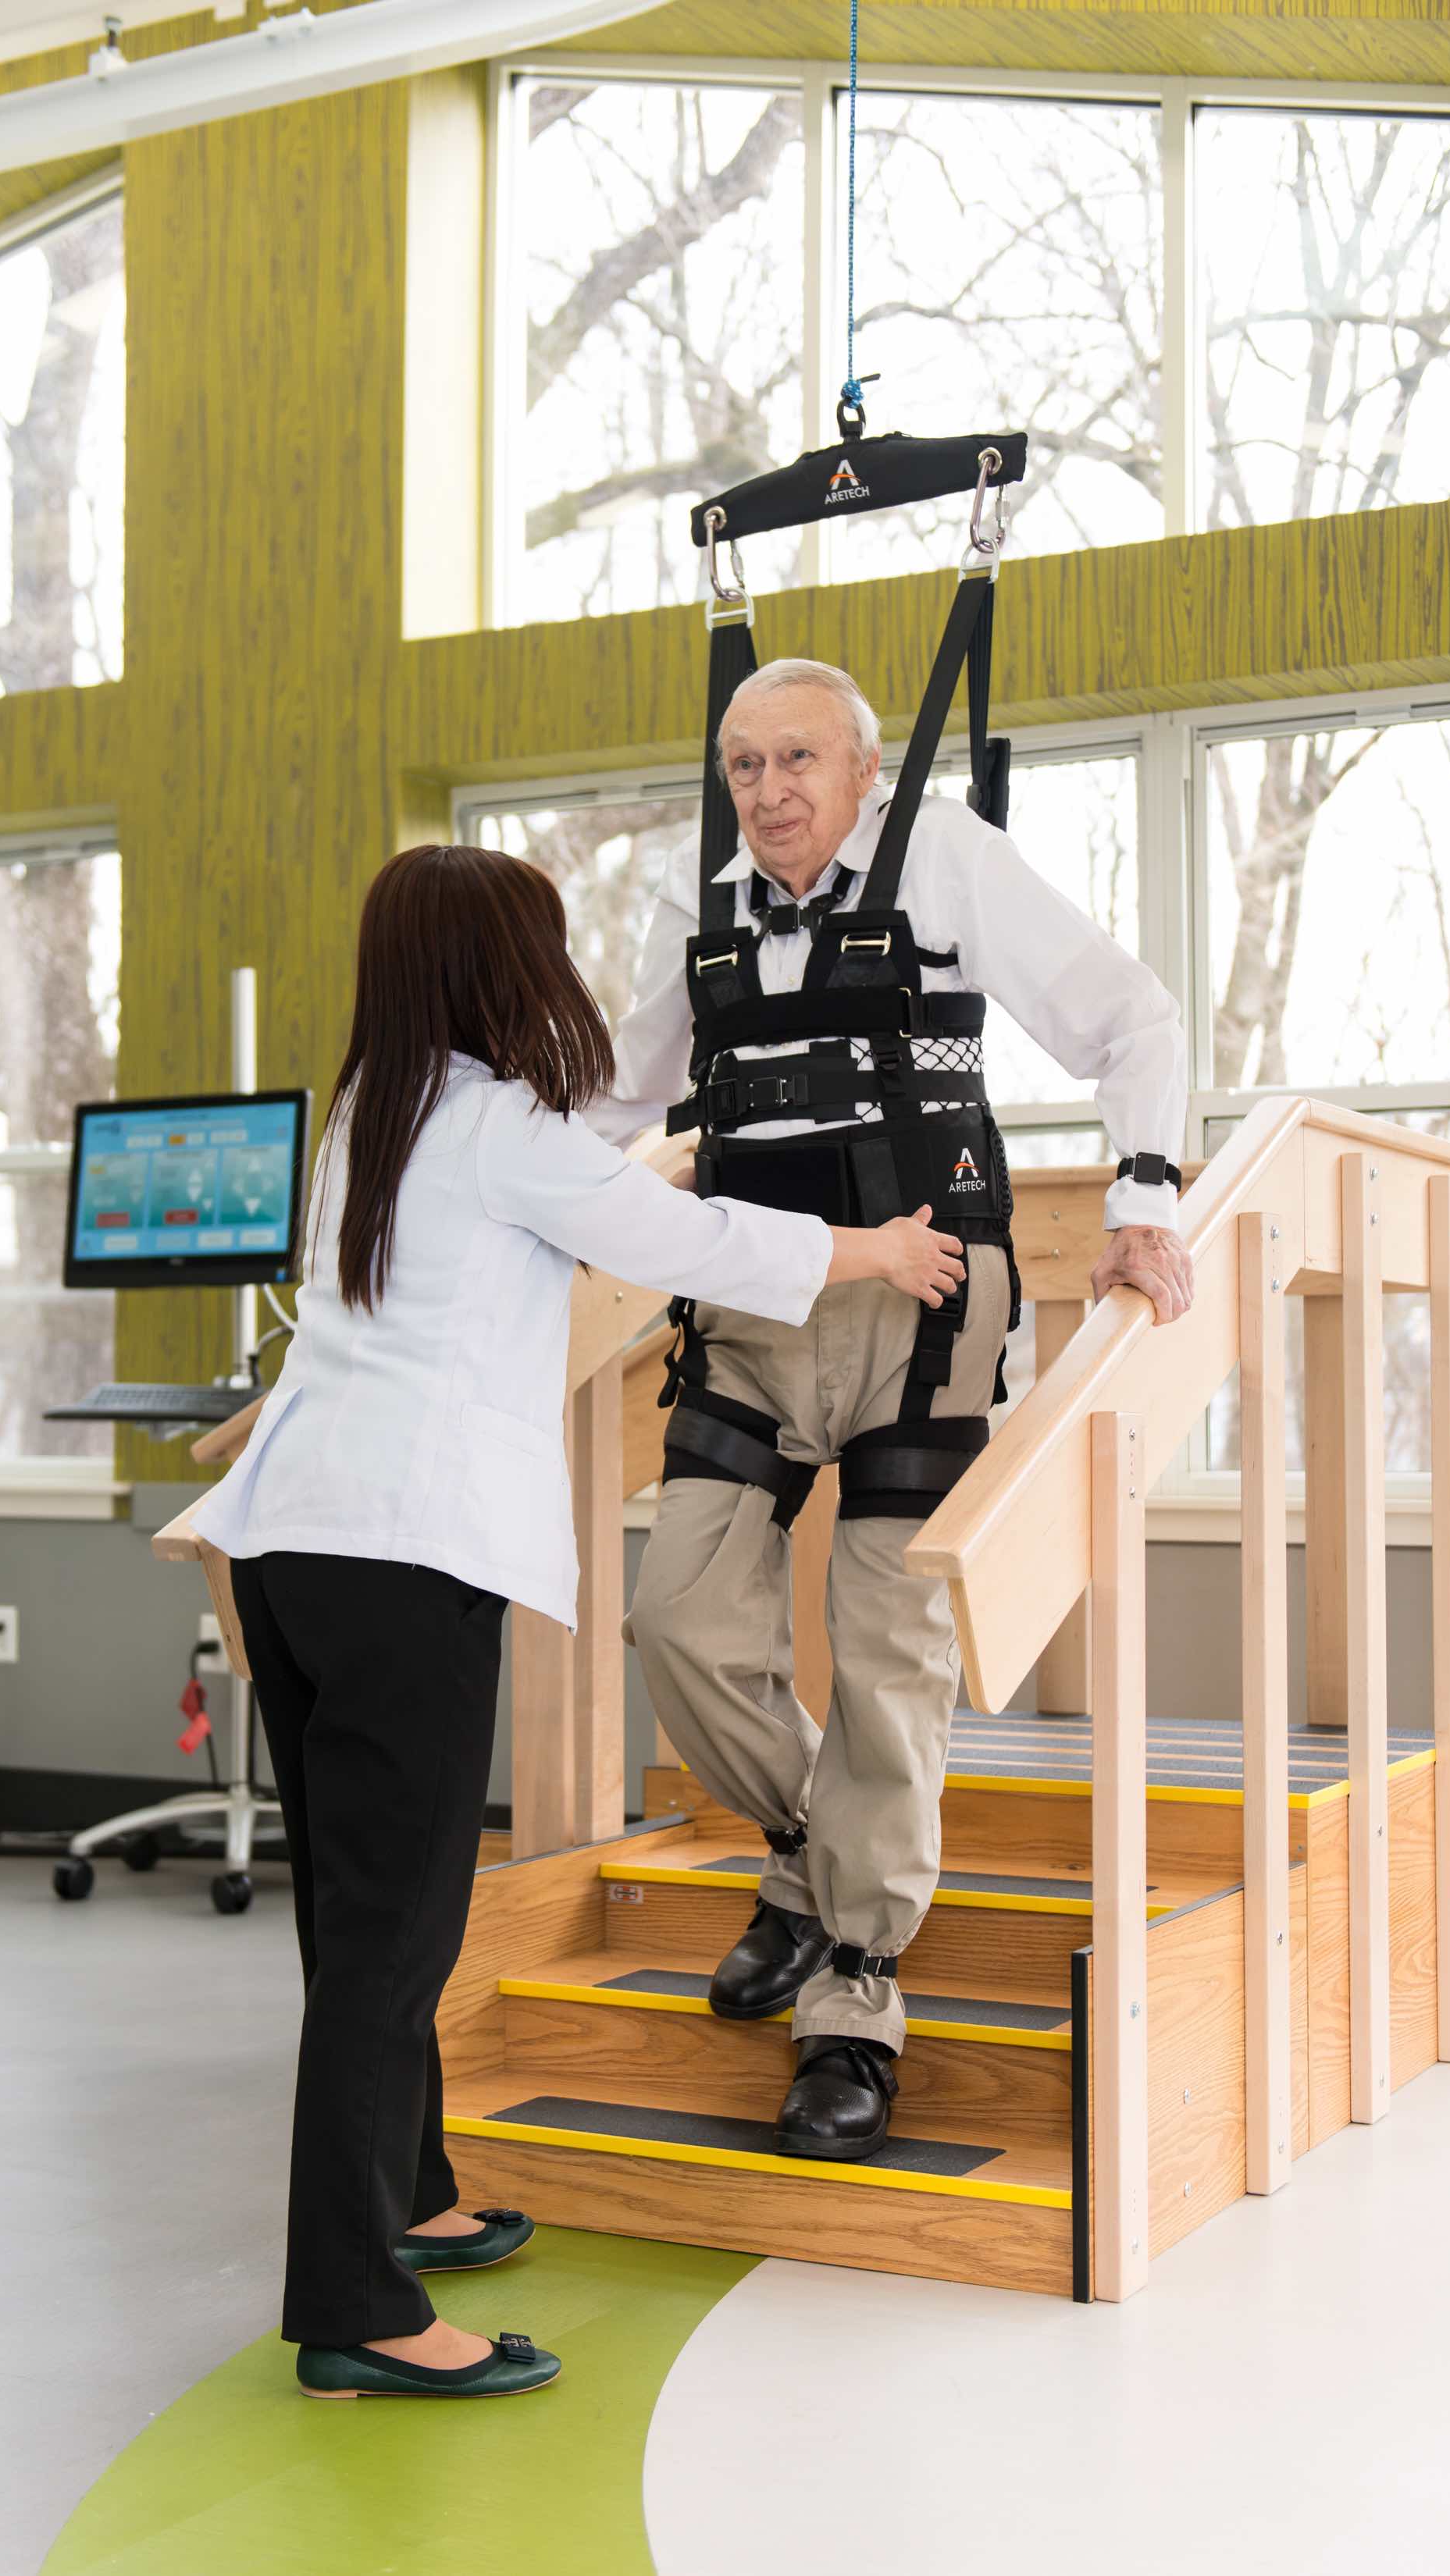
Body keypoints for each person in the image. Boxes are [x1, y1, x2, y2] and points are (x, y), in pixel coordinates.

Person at [189, 841, 964, 2400]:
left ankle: (409, 2199)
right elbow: (683, 1247)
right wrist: (874, 1249)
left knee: (356, 1919)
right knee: (396, 1942)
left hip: (293, 1544)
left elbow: (575, 1209)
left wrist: (648, 1168)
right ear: (504, 968)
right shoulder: (496, 1124)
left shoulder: (377, 1115)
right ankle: (357, 2309)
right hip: (400, 1552)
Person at [591, 659, 1194, 2161]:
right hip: (749, 1311)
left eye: (798, 757)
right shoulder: (716, 908)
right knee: (679, 1618)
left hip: (925, 1305)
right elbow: (606, 1098)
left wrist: (1141, 1199)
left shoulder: (942, 856)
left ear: (863, 768)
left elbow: (1131, 1017)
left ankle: (853, 1998)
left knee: (884, 1650)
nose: (770, 789)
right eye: (743, 763)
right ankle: (811, 1851)